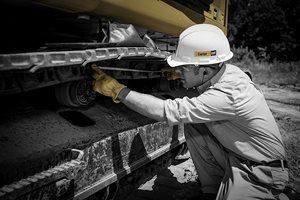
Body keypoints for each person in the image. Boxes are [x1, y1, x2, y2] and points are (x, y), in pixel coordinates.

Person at [92, 24, 289, 200]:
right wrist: (180, 75)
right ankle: (211, 191)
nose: (178, 73)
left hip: (261, 171)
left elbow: (166, 110)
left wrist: (118, 90)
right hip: (237, 157)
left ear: (201, 69)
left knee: (187, 118)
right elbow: (206, 85)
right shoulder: (226, 72)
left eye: (183, 68)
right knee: (196, 126)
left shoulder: (227, 95)